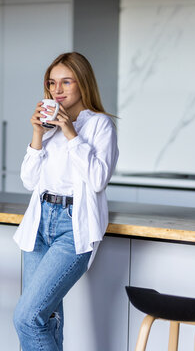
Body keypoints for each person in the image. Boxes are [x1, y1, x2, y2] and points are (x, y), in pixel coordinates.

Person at [12, 52, 119, 350]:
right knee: (44, 318)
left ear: (82, 84)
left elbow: (97, 180)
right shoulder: (47, 129)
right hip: (38, 224)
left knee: (27, 317)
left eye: (66, 82)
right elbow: (29, 181)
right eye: (52, 83)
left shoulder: (100, 126)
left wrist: (71, 133)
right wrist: (37, 134)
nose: (57, 90)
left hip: (72, 227)